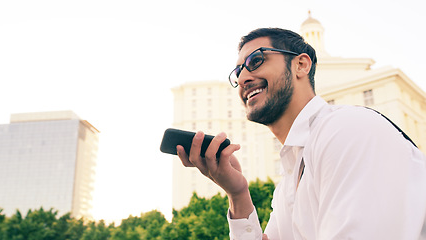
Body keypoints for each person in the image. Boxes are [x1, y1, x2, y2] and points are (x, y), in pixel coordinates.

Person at [176, 27, 426, 239]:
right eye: (238, 72)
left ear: (301, 65)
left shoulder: (346, 129)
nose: (243, 78)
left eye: (255, 61)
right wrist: (238, 193)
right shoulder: (288, 185)